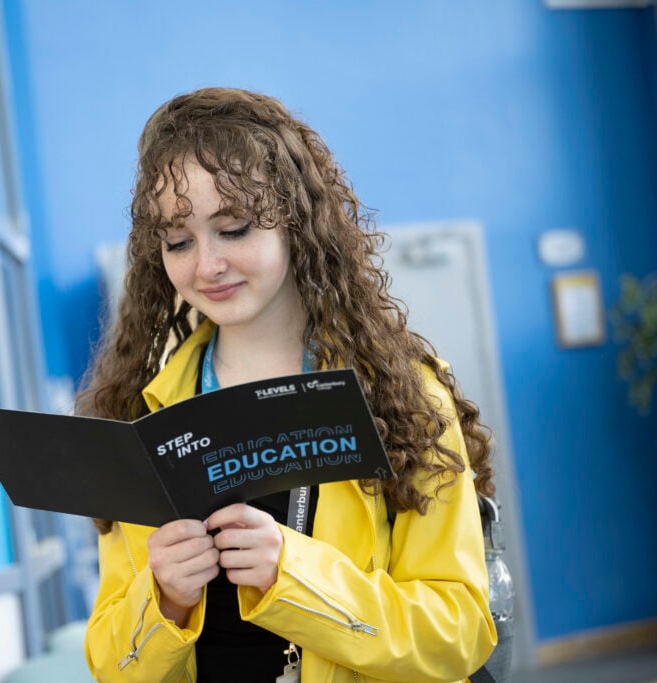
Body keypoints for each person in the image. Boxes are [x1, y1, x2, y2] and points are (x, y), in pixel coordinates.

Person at [77, 87, 498, 683]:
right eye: (178, 241)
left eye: (234, 228)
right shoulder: (142, 416)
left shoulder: (400, 398)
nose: (206, 265)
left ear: (297, 223)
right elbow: (110, 665)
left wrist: (293, 575)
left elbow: (459, 633)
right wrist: (164, 601)